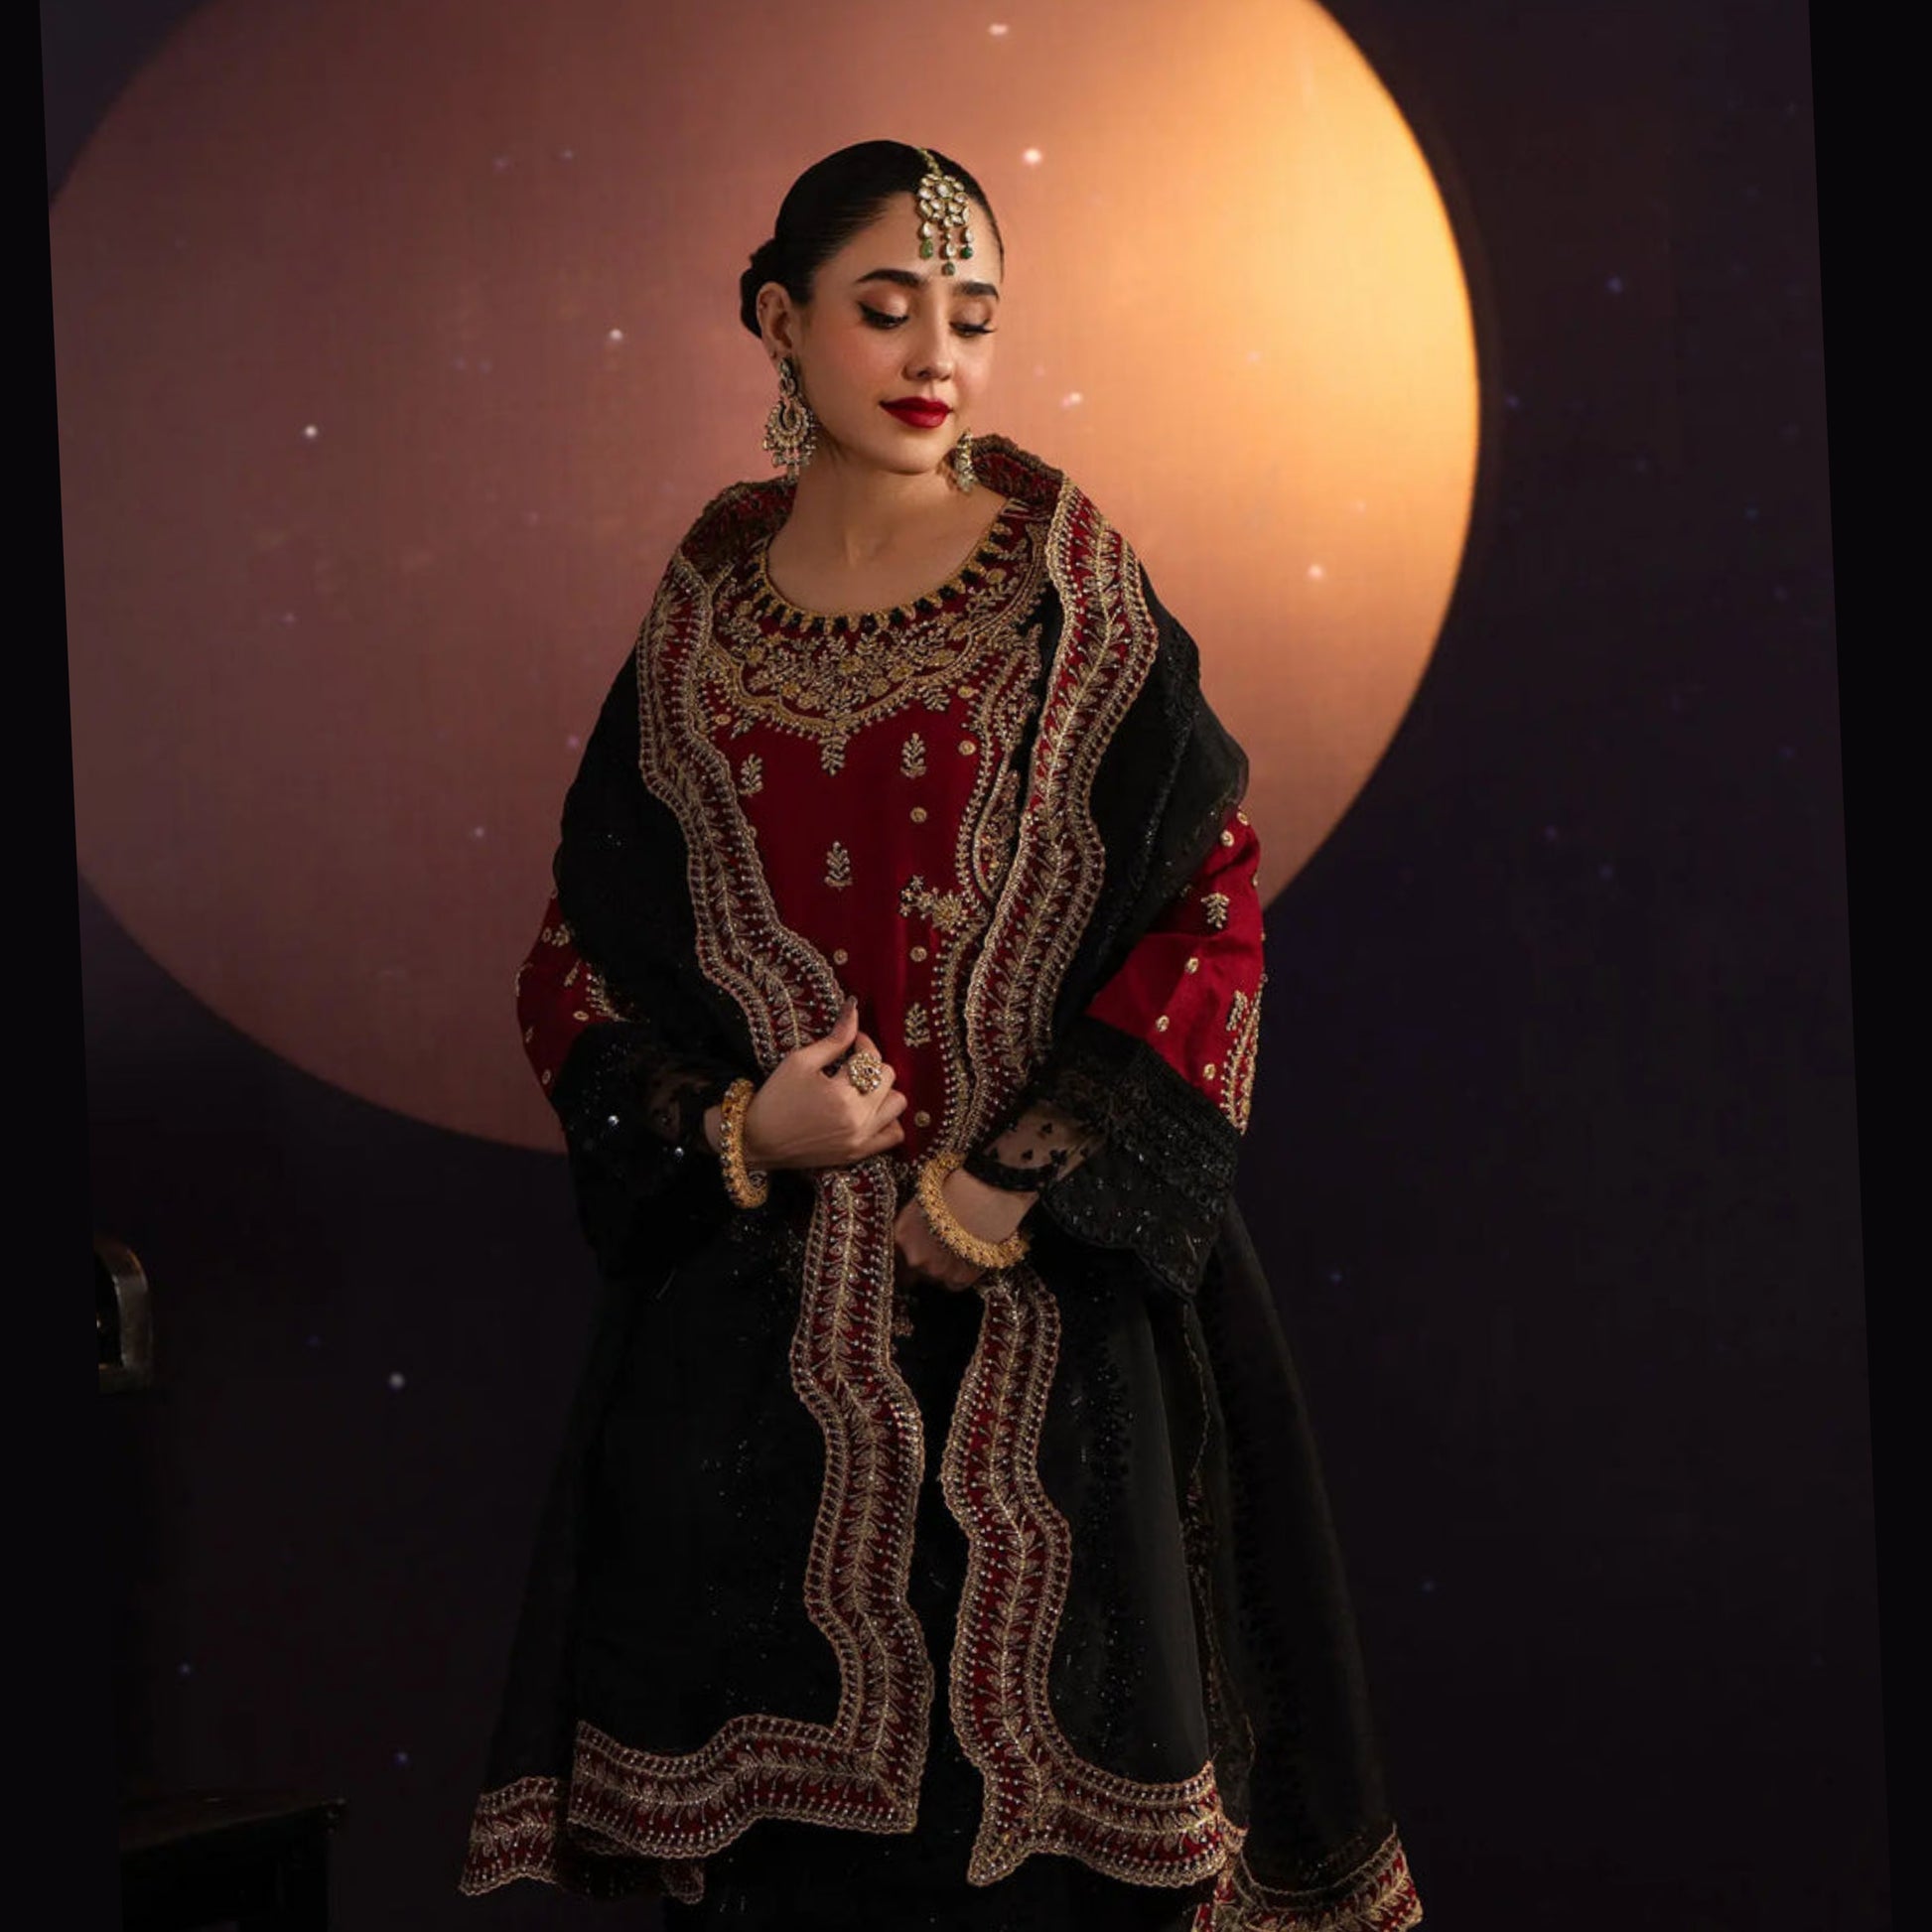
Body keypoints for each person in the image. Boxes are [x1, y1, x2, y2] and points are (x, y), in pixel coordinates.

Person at [459, 140, 1421, 1932]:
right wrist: (740, 1126)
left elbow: (1205, 912)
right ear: (779, 320)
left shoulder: (1073, 590)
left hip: (1051, 1326)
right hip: (747, 1346)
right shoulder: (702, 608)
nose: (934, 358)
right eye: (885, 307)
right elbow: (580, 957)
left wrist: (1007, 1180)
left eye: (971, 317)